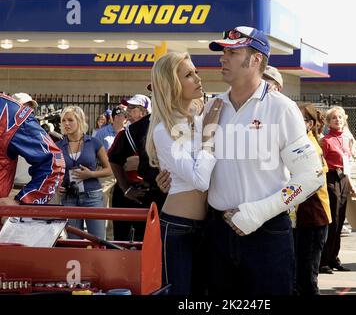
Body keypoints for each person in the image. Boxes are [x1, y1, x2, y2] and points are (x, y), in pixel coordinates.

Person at [205, 26, 323, 295]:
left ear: (256, 59)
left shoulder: (282, 108)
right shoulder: (212, 106)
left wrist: (259, 212)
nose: (223, 58)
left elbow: (311, 176)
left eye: (233, 52)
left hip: (267, 235)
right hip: (217, 233)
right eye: (223, 52)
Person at [145, 52, 223, 295]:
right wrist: (209, 139)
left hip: (209, 224)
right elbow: (200, 180)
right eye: (189, 75)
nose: (198, 78)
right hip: (177, 227)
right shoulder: (163, 130)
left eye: (196, 72)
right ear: (172, 84)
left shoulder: (201, 120)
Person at [57, 106, 112, 239]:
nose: (66, 124)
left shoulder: (93, 142)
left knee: (98, 240)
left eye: (70, 120)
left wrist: (91, 174)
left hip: (92, 196)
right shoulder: (58, 146)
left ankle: (97, 261)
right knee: (73, 241)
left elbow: (108, 170)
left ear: (80, 121)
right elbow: (54, 172)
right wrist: (57, 186)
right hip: (69, 198)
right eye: (63, 120)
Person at [0, 93, 64, 206]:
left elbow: (54, 161)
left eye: (31, 108)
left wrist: (22, 202)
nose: (30, 110)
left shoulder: (11, 114)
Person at [295, 103, 332, 295]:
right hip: (306, 217)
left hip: (312, 216)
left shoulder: (307, 147)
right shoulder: (301, 142)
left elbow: (309, 184)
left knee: (307, 277)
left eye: (296, 118)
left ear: (309, 124)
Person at [108, 94, 153, 241]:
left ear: (144, 112)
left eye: (133, 108)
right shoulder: (124, 134)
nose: (127, 111)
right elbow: (114, 160)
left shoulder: (155, 132)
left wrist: (142, 162)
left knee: (145, 239)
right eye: (128, 107)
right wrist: (126, 188)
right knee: (120, 239)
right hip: (126, 191)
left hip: (148, 192)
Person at [319, 106, 353, 274]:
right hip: (331, 179)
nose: (337, 120)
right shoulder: (325, 140)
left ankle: (334, 257)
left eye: (340, 117)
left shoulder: (346, 138)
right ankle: (324, 260)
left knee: (340, 222)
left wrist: (351, 184)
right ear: (328, 122)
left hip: (344, 179)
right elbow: (321, 163)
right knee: (332, 220)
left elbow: (348, 162)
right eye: (334, 118)